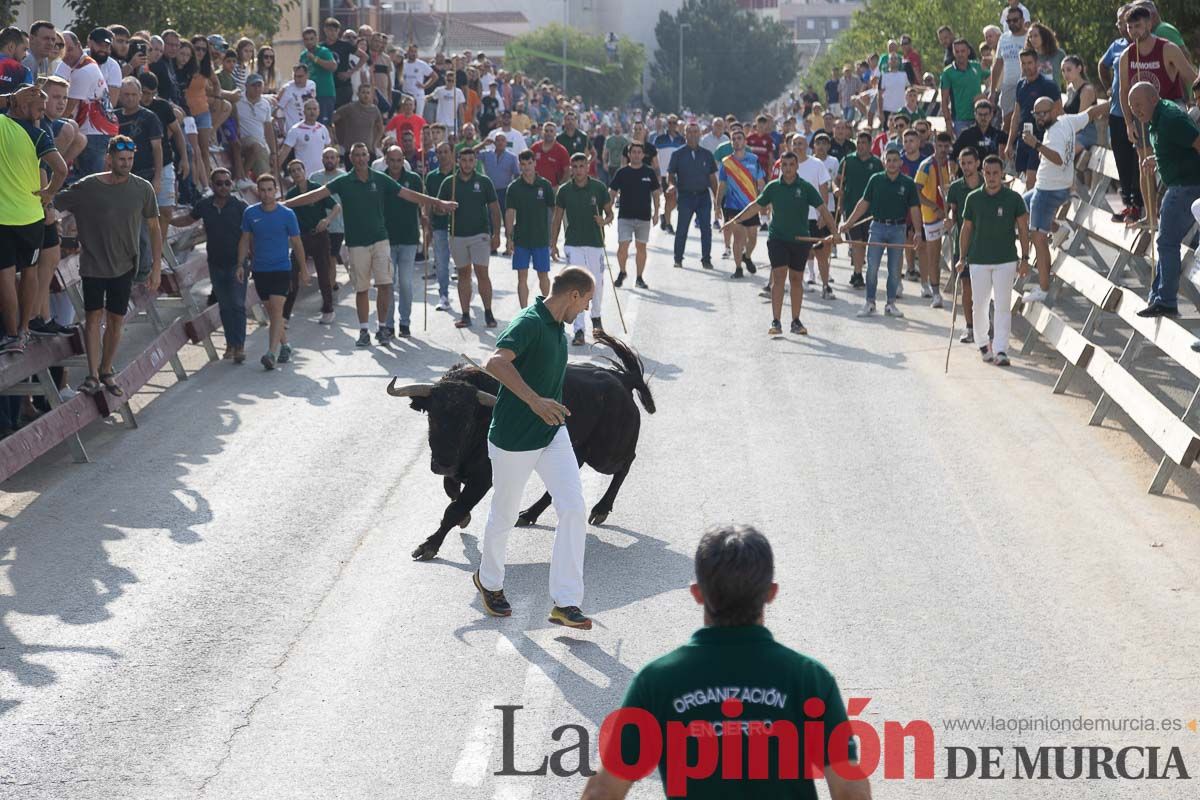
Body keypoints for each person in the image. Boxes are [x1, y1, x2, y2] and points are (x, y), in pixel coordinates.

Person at [578, 524, 871, 800]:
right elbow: (848, 788)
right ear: (771, 593)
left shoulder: (657, 680)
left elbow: (603, 792)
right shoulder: (809, 678)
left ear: (697, 594)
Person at [473, 267, 596, 630]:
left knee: (573, 509)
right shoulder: (530, 322)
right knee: (505, 514)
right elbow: (493, 362)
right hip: (513, 439)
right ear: (573, 295)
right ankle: (489, 581)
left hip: (552, 434)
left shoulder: (558, 327)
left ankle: (566, 602)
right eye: (586, 301)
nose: (586, 309)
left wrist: (550, 406)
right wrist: (533, 401)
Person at [287, 141, 454, 345]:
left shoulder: (380, 178)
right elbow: (315, 195)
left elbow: (408, 194)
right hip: (356, 243)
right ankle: (364, 330)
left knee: (385, 284)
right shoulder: (343, 181)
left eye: (363, 154)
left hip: (380, 240)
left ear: (368, 157)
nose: (360, 158)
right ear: (351, 159)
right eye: (356, 155)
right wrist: (285, 204)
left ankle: (383, 328)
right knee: (362, 289)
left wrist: (438, 203)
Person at [54, 135, 160, 394]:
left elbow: (154, 228)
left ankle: (106, 369)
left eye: (130, 159)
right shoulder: (88, 186)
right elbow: (55, 201)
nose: (126, 164)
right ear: (109, 158)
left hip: (124, 265)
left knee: (116, 319)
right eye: (121, 159)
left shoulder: (143, 188)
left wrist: (156, 267)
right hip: (92, 265)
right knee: (92, 318)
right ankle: (91, 374)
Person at [724, 151, 839, 336]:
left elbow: (823, 209)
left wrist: (835, 234)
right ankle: (776, 321)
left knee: (796, 279)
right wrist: (735, 220)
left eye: (791, 165)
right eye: (784, 165)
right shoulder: (772, 187)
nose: (787, 168)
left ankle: (795, 320)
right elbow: (755, 206)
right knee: (778, 277)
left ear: (797, 166)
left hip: (800, 240)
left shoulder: (806, 187)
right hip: (777, 239)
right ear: (780, 167)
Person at [1020, 96, 1110, 304]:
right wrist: (1117, 101)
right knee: (1019, 207)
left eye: (1044, 113)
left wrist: (1036, 144)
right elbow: (1092, 112)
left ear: (1054, 110)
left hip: (1047, 191)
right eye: (1037, 114)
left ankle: (1043, 289)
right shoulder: (1068, 120)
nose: (1040, 118)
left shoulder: (1053, 134)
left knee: (1038, 239)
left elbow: (1059, 159)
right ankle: (1058, 229)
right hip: (1056, 188)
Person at [1128, 81, 1200, 318]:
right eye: (1131, 107)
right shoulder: (1155, 117)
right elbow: (1176, 151)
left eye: (1138, 104)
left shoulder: (1169, 118)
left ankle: (1166, 300)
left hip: (1185, 187)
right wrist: (1156, 161)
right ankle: (1158, 296)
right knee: (1166, 242)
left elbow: (1197, 143)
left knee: (1167, 243)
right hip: (1179, 184)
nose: (1135, 110)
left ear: (1152, 98)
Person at [956, 155, 1031, 367]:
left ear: (1002, 175)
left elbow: (1024, 229)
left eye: (995, 173)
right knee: (979, 305)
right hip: (978, 259)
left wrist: (1025, 258)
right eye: (987, 173)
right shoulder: (973, 198)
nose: (991, 177)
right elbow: (966, 228)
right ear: (982, 173)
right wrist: (962, 257)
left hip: (1005, 259)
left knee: (1002, 306)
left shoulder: (1014, 198)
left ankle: (1000, 350)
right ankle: (982, 343)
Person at [174, 167, 248, 360]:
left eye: (227, 183)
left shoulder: (240, 206)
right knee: (224, 306)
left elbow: (250, 235)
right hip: (215, 264)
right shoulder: (204, 205)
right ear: (213, 185)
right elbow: (187, 220)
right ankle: (231, 344)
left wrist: (248, 261)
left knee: (237, 304)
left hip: (237, 264)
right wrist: (164, 219)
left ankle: (239, 346)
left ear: (231, 184)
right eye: (219, 183)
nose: (223, 186)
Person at [842, 147, 921, 319]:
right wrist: (849, 223)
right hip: (877, 227)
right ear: (884, 161)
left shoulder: (908, 183)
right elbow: (864, 203)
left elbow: (914, 209)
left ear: (900, 162)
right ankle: (870, 302)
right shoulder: (875, 179)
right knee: (872, 268)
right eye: (889, 160)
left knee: (894, 270)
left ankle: (890, 303)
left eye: (895, 160)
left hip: (898, 229)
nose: (892, 163)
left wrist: (918, 231)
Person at [238, 174, 306, 370]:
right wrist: (240, 264)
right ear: (257, 191)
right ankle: (285, 345)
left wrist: (302, 269)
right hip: (260, 270)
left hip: (281, 269)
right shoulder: (250, 214)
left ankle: (271, 353)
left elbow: (297, 242)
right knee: (273, 313)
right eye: (263, 190)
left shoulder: (287, 214)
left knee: (277, 310)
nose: (267, 194)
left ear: (276, 191)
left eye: (270, 190)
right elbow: (244, 240)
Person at [552, 153, 613, 345]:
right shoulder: (564, 191)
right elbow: (557, 218)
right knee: (575, 288)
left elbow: (610, 213)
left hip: (595, 243)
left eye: (582, 166)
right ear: (571, 168)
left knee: (597, 284)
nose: (578, 170)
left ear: (588, 167)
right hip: (573, 244)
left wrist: (604, 221)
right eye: (575, 166)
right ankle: (579, 329)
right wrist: (552, 243)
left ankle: (596, 320)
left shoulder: (599, 188)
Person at [439, 147, 501, 329]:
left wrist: (496, 233)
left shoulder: (484, 182)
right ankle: (465, 315)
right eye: (463, 160)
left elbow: (495, 209)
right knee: (463, 274)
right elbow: (437, 208)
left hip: (480, 234)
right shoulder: (449, 183)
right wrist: (443, 208)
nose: (467, 164)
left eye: (470, 160)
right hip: (456, 235)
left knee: (482, 273)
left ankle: (488, 313)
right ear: (458, 161)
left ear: (475, 161)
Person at [1117, 4, 1195, 131]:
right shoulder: (1126, 56)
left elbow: (1192, 78)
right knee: (1146, 151)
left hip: (1171, 111)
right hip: (1142, 115)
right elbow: (1124, 91)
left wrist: (1193, 102)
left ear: (1149, 25)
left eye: (1138, 26)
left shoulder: (1168, 49)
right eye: (1130, 27)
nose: (1133, 31)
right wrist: (1129, 124)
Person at [283, 159, 338, 326]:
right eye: (293, 171)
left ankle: (328, 309)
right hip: (300, 238)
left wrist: (327, 220)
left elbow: (336, 207)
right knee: (292, 274)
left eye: (299, 169)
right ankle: (285, 315)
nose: (297, 173)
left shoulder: (317, 189)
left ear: (304, 170)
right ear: (291, 175)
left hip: (319, 235)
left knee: (323, 274)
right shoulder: (291, 195)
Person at [56, 31, 117, 177]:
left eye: (69, 49)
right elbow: (57, 80)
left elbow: (67, 110)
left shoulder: (84, 70)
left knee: (91, 182)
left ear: (79, 46)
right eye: (62, 49)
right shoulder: (80, 62)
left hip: (95, 134)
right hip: (96, 131)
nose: (66, 53)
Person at [379, 145, 425, 339]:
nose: (396, 164)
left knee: (405, 283)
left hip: (408, 238)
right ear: (386, 160)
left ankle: (404, 322)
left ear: (403, 160)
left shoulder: (413, 179)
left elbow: (421, 203)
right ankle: (388, 325)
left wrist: (424, 219)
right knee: (388, 283)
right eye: (392, 160)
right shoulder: (380, 179)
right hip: (386, 239)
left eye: (399, 160)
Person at [504, 149, 555, 307]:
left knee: (543, 276)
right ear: (519, 165)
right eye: (523, 164)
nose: (526, 167)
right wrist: (509, 238)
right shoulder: (514, 187)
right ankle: (524, 312)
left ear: (535, 163)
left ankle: (547, 309)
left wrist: (553, 238)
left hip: (541, 238)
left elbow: (553, 213)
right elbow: (510, 213)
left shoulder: (545, 185)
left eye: (529, 163)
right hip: (521, 239)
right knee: (521, 277)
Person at [1004, 49, 1061, 191]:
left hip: (1040, 140)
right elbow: (1016, 116)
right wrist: (1009, 143)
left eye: (1030, 63)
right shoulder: (1020, 85)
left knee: (1031, 181)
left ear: (1037, 63)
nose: (1027, 66)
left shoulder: (1048, 85)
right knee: (1022, 180)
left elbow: (1059, 113)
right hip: (1023, 139)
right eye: (1023, 63)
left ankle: (1031, 213)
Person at [608, 141, 661, 288]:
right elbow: (612, 192)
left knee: (641, 248)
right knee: (622, 246)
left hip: (644, 217)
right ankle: (622, 271)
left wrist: (656, 213)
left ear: (643, 155)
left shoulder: (649, 172)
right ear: (629, 155)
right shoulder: (622, 172)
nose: (636, 155)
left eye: (639, 152)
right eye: (634, 152)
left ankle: (639, 277)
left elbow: (656, 193)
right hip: (625, 216)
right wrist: (608, 211)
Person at [668, 122, 719, 270]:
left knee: (706, 230)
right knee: (682, 229)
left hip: (703, 197)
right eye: (689, 132)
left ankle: (706, 259)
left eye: (696, 132)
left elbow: (712, 178)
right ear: (685, 134)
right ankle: (678, 259)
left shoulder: (707, 155)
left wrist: (717, 198)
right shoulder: (677, 154)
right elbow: (670, 174)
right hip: (685, 196)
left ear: (700, 134)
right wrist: (671, 185)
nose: (693, 134)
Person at [946, 147, 983, 343]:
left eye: (970, 163)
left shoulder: (988, 184)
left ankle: (983, 324)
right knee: (966, 287)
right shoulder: (955, 188)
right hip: (964, 245)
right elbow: (953, 213)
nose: (967, 167)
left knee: (984, 289)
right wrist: (949, 222)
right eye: (963, 163)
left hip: (986, 244)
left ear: (977, 163)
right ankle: (969, 327)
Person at [838, 131, 883, 289]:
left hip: (872, 210)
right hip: (851, 208)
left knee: (867, 243)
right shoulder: (847, 161)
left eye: (864, 143)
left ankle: (866, 272)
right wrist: (838, 191)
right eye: (858, 143)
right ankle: (857, 273)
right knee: (857, 242)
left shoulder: (877, 163)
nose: (861, 146)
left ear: (870, 145)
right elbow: (838, 181)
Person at [914, 131, 953, 307]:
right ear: (934, 145)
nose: (944, 150)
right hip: (931, 216)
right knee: (934, 256)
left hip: (950, 215)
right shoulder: (926, 165)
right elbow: (916, 192)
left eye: (946, 146)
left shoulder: (952, 165)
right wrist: (934, 207)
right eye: (940, 146)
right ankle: (936, 293)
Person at [423, 142, 455, 311]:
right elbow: (427, 200)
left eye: (445, 152)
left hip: (460, 226)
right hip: (439, 225)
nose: (442, 155)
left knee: (462, 263)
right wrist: (426, 218)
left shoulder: (459, 174)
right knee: (441, 262)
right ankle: (444, 294)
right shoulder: (431, 177)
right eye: (439, 152)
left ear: (451, 153)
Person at [479, 133, 519, 247]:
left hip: (505, 191)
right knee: (490, 217)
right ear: (494, 142)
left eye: (503, 140)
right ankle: (492, 244)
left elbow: (517, 174)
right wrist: (482, 144)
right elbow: (470, 154)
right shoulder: (486, 154)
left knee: (508, 219)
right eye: (498, 140)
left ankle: (509, 243)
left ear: (506, 143)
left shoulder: (512, 157)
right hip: (489, 191)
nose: (500, 142)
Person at [941, 39, 987, 137]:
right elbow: (944, 100)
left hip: (980, 116)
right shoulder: (947, 72)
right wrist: (948, 123)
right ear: (953, 52)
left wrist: (987, 94)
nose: (960, 54)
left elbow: (994, 76)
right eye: (957, 51)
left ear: (968, 52)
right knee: (963, 150)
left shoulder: (977, 66)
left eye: (963, 51)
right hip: (960, 119)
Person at [236, 73, 275, 185]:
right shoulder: (238, 100)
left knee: (265, 178)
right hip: (242, 141)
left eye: (259, 85)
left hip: (260, 145)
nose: (257, 88)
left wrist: (273, 152)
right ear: (247, 86)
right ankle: (241, 177)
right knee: (256, 145)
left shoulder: (266, 104)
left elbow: (268, 129)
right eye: (254, 85)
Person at [333, 82, 384, 168]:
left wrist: (375, 143)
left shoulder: (375, 110)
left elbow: (380, 128)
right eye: (363, 92)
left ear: (371, 95)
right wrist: (336, 138)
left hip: (368, 151)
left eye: (368, 93)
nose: (365, 95)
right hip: (351, 151)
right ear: (358, 94)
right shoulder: (350, 108)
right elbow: (334, 119)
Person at [989, 6, 1028, 118]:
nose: (1012, 23)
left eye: (1015, 20)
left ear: (1022, 20)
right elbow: (998, 64)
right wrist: (992, 90)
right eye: (1009, 21)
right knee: (1007, 121)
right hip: (1008, 86)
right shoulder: (1003, 38)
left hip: (1026, 85)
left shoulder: (1029, 37)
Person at [278, 98, 332, 177]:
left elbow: (329, 151)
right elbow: (284, 152)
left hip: (322, 175)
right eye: (309, 109)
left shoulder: (323, 129)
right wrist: (275, 170)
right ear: (304, 111)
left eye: (314, 109)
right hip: (304, 176)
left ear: (318, 111)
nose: (312, 112)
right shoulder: (295, 130)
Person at [653, 115, 685, 234]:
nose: (672, 125)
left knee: (676, 201)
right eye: (670, 123)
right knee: (669, 198)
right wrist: (655, 171)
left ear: (677, 124)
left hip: (678, 174)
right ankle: (668, 224)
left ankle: (664, 216)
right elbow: (653, 156)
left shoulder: (682, 140)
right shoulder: (660, 139)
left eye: (674, 123)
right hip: (663, 174)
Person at [299, 27, 336, 125]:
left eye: (311, 39)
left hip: (324, 94)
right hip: (309, 96)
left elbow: (333, 66)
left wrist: (315, 59)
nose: (309, 42)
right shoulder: (303, 55)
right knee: (310, 124)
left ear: (316, 39)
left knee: (325, 125)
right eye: (306, 39)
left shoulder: (324, 51)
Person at [275, 62, 317, 134]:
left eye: (300, 76)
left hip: (308, 128)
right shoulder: (288, 89)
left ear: (307, 75)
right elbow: (278, 110)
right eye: (295, 76)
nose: (297, 79)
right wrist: (281, 130)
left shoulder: (312, 85)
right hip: (293, 130)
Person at [530, 120, 570, 190]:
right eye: (546, 131)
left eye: (551, 131)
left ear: (555, 133)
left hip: (553, 188)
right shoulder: (535, 147)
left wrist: (560, 186)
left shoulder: (561, 150)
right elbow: (528, 165)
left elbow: (567, 171)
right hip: (535, 187)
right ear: (542, 132)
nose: (548, 133)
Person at [399, 44, 435, 117]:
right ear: (408, 52)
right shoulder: (403, 64)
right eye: (412, 51)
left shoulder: (421, 64)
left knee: (418, 116)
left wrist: (425, 86)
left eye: (415, 52)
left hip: (418, 94)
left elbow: (434, 76)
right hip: (405, 93)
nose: (414, 54)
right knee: (404, 116)